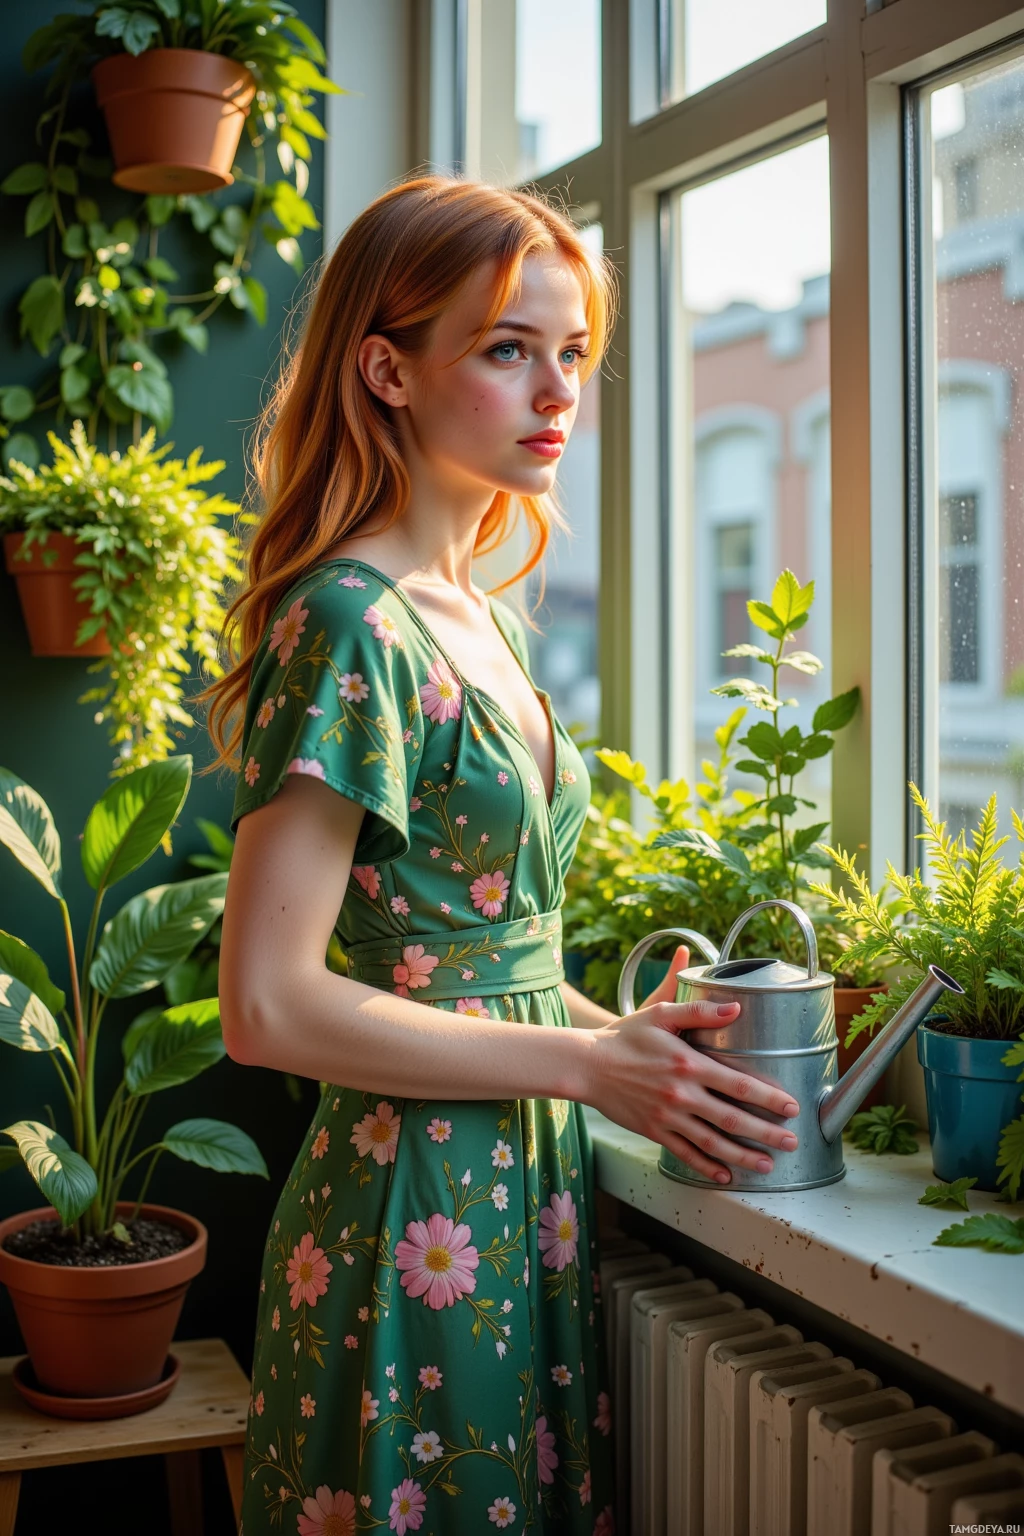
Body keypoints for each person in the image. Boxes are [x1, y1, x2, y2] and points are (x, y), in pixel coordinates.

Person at [205, 176, 801, 1536]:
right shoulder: (348, 622)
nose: (556, 391)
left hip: (522, 1192)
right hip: (409, 1210)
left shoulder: (485, 620)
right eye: (506, 348)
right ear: (388, 369)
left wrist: (630, 1035)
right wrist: (590, 1067)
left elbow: (486, 962)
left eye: (573, 352)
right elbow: (268, 1004)